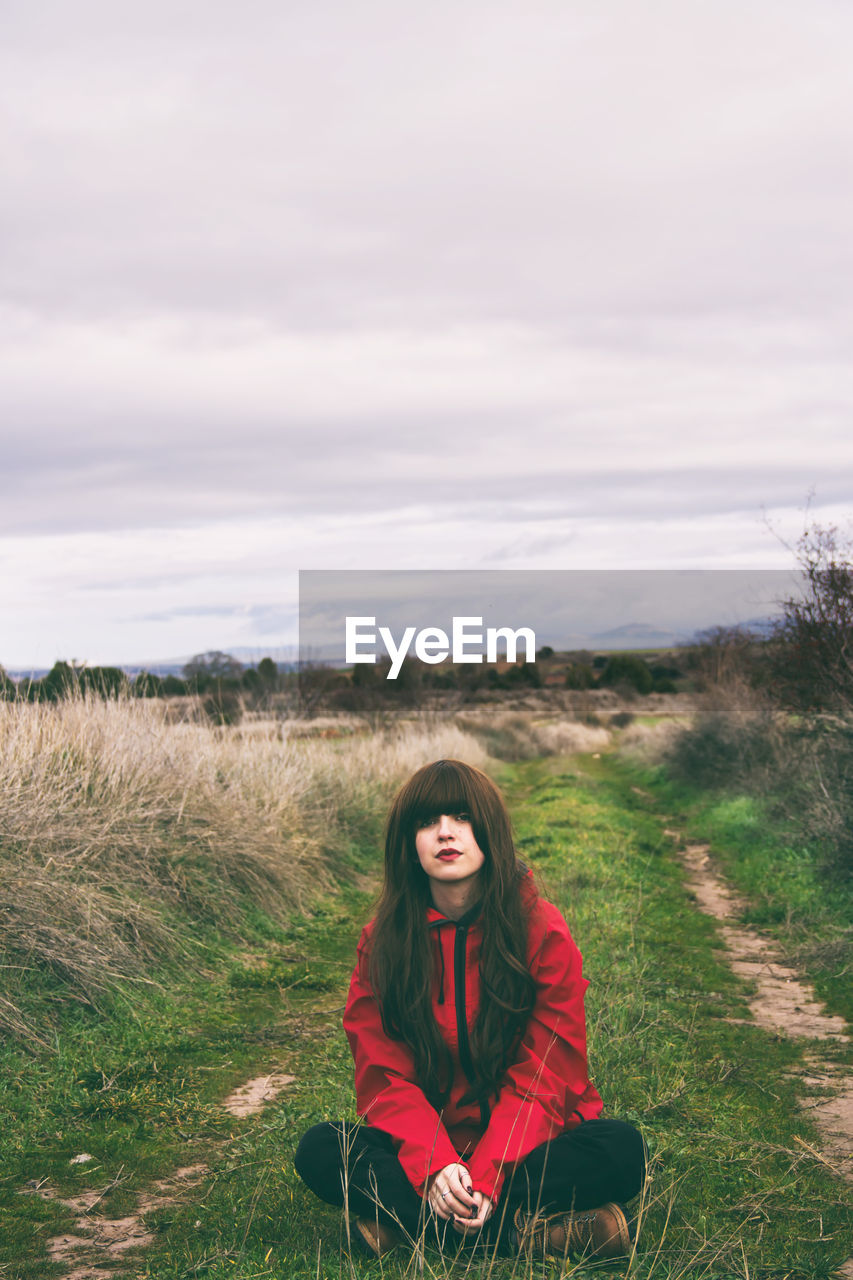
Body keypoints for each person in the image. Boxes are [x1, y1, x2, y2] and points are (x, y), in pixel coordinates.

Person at [295, 759, 646, 1262]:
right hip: (427, 1149)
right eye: (426, 821)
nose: (444, 833)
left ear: (491, 832)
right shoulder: (383, 942)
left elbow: (547, 1072)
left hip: (526, 1148)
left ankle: (405, 1226)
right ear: (409, 846)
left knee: (621, 1150)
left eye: (461, 816)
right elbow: (384, 1074)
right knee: (320, 1149)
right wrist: (435, 1164)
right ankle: (529, 1235)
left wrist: (490, 1172)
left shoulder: (540, 930)